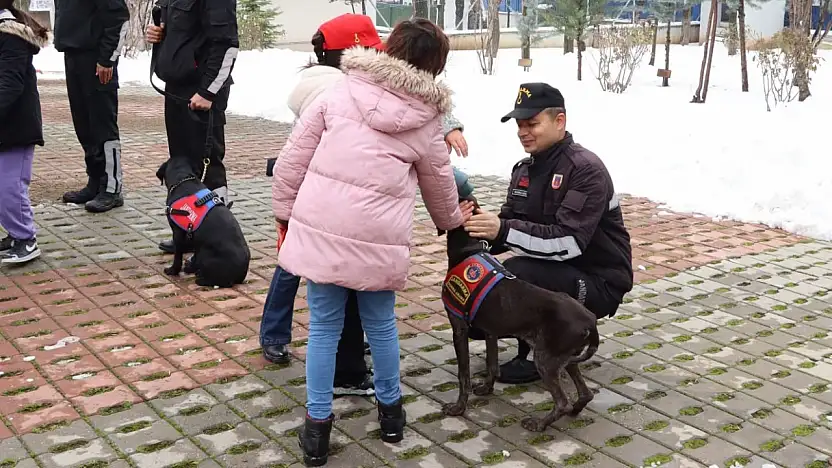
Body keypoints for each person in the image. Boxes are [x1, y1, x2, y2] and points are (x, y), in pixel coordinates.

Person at [272, 19, 470, 467]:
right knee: (380, 325)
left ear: (387, 48)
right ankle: (392, 415)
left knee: (323, 328)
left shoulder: (337, 92)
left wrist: (284, 213)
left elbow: (292, 160)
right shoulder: (428, 119)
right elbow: (440, 188)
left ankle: (317, 428)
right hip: (380, 239)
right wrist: (453, 222)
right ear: (434, 68)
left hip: (321, 227)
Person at [463, 83, 633, 384]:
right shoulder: (525, 170)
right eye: (519, 125)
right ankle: (532, 338)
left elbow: (568, 242)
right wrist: (475, 229)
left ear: (560, 122)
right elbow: (510, 222)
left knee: (518, 273)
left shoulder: (586, 169)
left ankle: (544, 350)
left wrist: (502, 230)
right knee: (483, 280)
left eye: (532, 124)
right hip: (557, 268)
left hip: (598, 278)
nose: (523, 132)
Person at [146, 0, 239, 255]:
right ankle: (190, 230)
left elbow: (227, 45)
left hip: (202, 91)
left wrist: (208, 92)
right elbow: (181, 35)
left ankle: (220, 236)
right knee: (183, 165)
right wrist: (158, 36)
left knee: (208, 166)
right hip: (176, 88)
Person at [54, 0, 129, 213]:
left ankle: (112, 188)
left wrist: (107, 59)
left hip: (97, 60)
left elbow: (119, 20)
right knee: (84, 126)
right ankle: (95, 182)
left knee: (103, 127)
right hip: (73, 55)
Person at [0, 2, 47, 265]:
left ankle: (26, 238)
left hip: (15, 126)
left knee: (9, 187)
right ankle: (15, 234)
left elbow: (10, 84)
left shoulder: (10, 36)